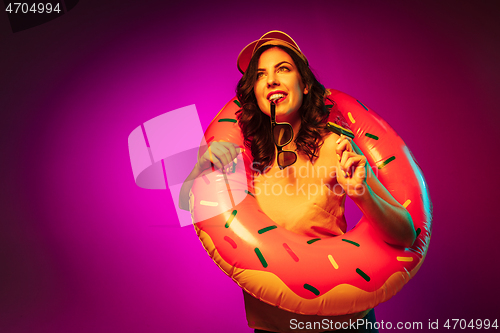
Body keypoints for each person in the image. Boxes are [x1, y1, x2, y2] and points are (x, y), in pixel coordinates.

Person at [179, 31, 416, 333]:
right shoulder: (244, 157)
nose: (272, 80)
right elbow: (187, 211)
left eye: (283, 69)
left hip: (341, 322)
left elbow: (405, 234)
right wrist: (200, 168)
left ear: (304, 85)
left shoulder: (335, 146)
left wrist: (362, 193)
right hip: (272, 325)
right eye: (260, 74)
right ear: (254, 92)